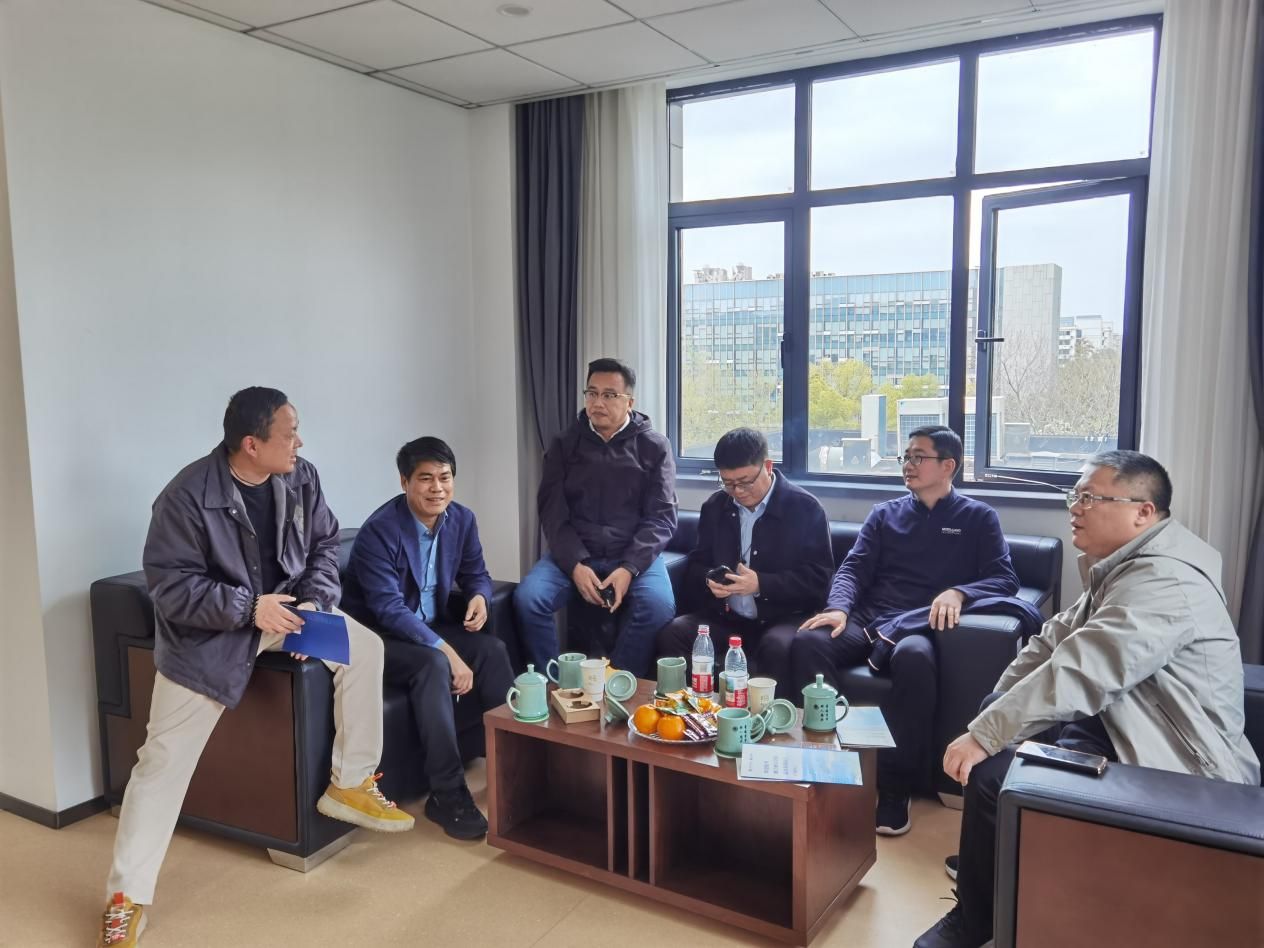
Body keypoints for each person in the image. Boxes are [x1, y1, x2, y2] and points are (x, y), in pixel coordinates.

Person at [98, 388, 411, 948]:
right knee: (161, 763)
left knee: (364, 648)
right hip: (209, 639)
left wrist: (315, 600)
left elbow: (324, 545)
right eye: (289, 434)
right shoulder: (185, 497)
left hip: (287, 613)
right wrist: (249, 608)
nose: (299, 442)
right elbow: (172, 590)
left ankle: (349, 783)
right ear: (251, 444)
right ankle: (126, 898)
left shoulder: (301, 477)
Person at [915, 451, 1261, 948]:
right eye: (1074, 496)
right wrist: (996, 706)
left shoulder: (1165, 581)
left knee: (992, 774)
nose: (1075, 508)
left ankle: (974, 922)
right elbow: (1054, 640)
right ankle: (996, 860)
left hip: (1175, 763)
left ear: (1143, 511)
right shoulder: (1127, 567)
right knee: (1002, 729)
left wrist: (985, 735)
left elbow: (1085, 669)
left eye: (1091, 498)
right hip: (1124, 722)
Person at [791, 426, 1024, 837]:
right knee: (809, 640)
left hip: (921, 624)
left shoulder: (978, 517)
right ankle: (827, 765)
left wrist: (959, 592)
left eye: (919, 457)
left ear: (948, 466)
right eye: (906, 457)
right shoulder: (885, 514)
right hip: (870, 617)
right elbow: (853, 568)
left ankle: (896, 788)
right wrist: (838, 608)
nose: (908, 465)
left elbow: (1004, 579)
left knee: (914, 659)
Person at [341, 436, 513, 841]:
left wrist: (479, 597)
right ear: (405, 482)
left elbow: (476, 573)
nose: (437, 488)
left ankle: (516, 766)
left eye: (445, 477)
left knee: (492, 650)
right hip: (377, 638)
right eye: (425, 479)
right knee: (433, 663)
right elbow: (388, 609)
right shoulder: (380, 532)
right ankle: (447, 793)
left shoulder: (461, 519)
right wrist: (447, 650)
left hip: (427, 628)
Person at [514, 358, 677, 678]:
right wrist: (576, 564)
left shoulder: (654, 446)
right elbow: (553, 512)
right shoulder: (564, 445)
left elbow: (661, 518)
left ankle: (615, 681)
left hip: (633, 553)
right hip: (575, 552)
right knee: (529, 599)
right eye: (592, 393)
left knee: (658, 606)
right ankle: (555, 685)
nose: (597, 402)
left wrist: (629, 568)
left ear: (629, 402)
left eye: (609, 395)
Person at [656, 427, 832, 694]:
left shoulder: (805, 508)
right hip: (727, 618)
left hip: (784, 619)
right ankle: (690, 711)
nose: (737, 491)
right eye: (727, 483)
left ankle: (769, 719)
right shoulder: (715, 507)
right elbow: (697, 564)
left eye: (745, 481)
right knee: (674, 633)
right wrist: (710, 580)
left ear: (768, 467)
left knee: (776, 647)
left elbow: (820, 579)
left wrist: (761, 584)